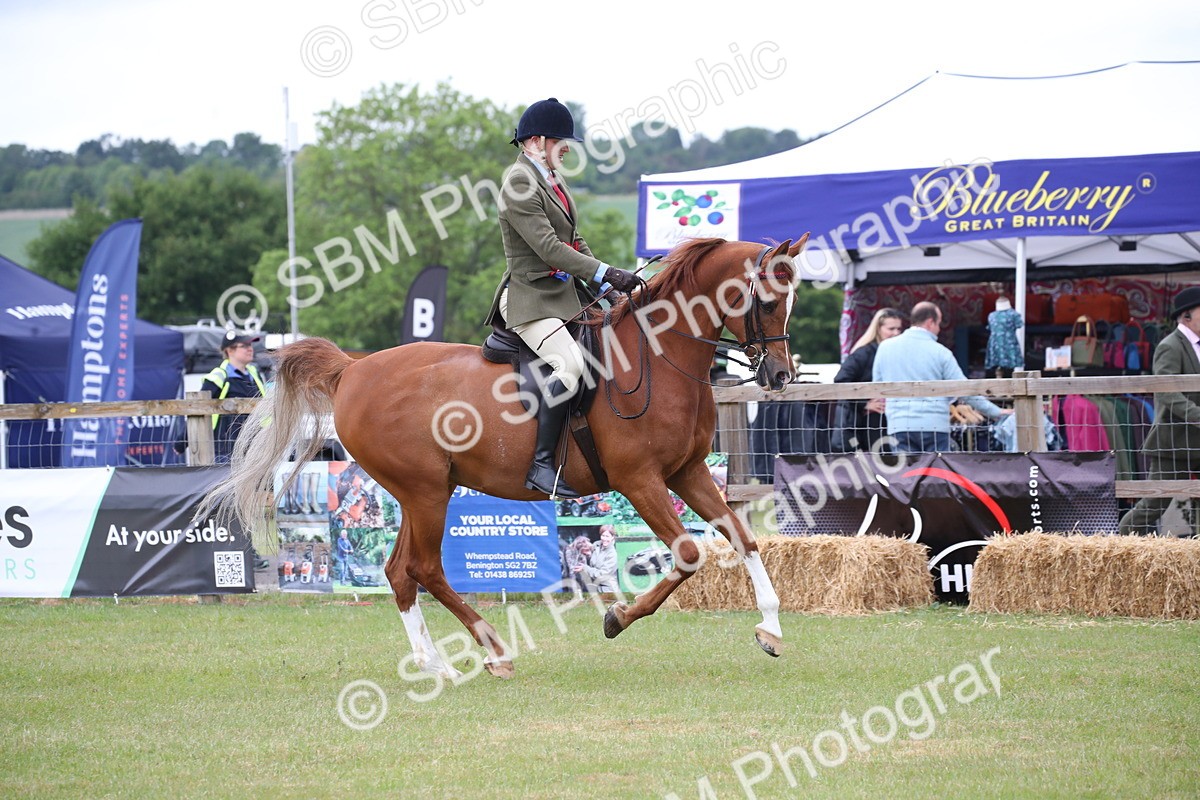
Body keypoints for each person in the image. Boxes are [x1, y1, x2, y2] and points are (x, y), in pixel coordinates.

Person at [484, 97, 641, 498]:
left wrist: (606, 286)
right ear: (536, 141)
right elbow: (550, 249)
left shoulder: (551, 178)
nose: (567, 148)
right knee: (570, 365)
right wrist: (606, 272)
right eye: (560, 141)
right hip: (529, 299)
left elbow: (573, 239)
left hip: (561, 295)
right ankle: (541, 464)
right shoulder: (519, 183)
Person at [872, 301, 1012, 453]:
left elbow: (877, 385)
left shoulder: (885, 348)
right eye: (938, 324)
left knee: (905, 469)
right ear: (930, 322)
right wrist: (996, 412)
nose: (939, 329)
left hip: (898, 425)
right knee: (937, 468)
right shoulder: (941, 352)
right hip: (934, 426)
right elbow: (964, 389)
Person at [1118, 287, 1200, 536]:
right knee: (1155, 502)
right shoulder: (1170, 346)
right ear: (1187, 315)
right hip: (1173, 441)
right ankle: (1117, 545)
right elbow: (1167, 391)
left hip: (1196, 439)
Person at [833, 308, 903, 452]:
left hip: (889, 420)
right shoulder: (863, 353)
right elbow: (841, 380)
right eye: (891, 329)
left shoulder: (897, 353)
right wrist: (864, 403)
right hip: (862, 423)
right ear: (878, 328)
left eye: (899, 329)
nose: (896, 333)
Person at [200, 331, 266, 462]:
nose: (250, 349)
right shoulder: (219, 376)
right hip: (226, 448)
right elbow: (198, 407)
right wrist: (181, 442)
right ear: (230, 350)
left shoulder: (254, 374)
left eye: (250, 345)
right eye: (244, 346)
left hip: (254, 446)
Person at [985, 296, 1024, 378]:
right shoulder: (1014, 314)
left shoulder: (992, 315)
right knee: (1009, 368)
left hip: (996, 343)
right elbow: (1019, 324)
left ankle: (1001, 376)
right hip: (1008, 343)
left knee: (1004, 369)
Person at [582, 525, 619, 592]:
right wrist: (588, 555)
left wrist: (585, 568)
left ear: (612, 537)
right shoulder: (596, 544)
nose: (604, 539)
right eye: (603, 535)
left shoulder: (612, 554)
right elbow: (593, 561)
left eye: (607, 536)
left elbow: (602, 575)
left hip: (607, 588)